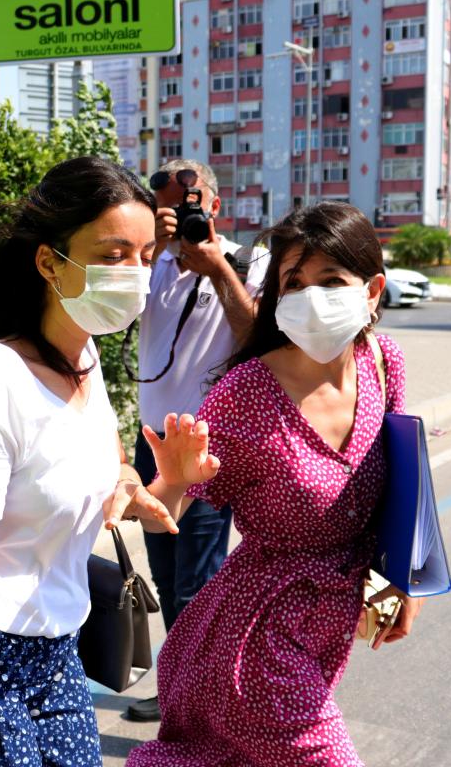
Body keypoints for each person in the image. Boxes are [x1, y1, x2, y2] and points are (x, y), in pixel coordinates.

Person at [0, 156, 215, 767]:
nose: (135, 275)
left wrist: (156, 482)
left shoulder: (85, 359)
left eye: (146, 256)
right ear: (48, 261)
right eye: (113, 254)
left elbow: (109, 461)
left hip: (58, 650)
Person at [126, 202, 426, 766]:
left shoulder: (383, 362)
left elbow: (401, 491)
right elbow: (162, 511)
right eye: (294, 283)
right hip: (253, 641)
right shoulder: (244, 393)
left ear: (373, 290)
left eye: (332, 280)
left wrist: (399, 584)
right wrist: (172, 480)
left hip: (327, 632)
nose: (311, 298)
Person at [126, 160, 268, 723]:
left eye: (187, 203)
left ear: (212, 204)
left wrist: (215, 270)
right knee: (164, 575)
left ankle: (205, 704)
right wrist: (155, 252)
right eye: (163, 205)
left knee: (198, 581)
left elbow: (256, 333)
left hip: (209, 447)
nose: (178, 214)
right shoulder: (147, 263)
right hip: (154, 444)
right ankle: (182, 687)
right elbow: (115, 322)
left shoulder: (244, 259)